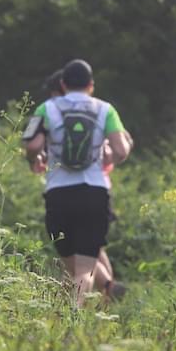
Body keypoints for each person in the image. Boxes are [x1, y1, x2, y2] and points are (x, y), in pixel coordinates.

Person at [25, 60, 132, 306]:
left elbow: (31, 145)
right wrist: (110, 159)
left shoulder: (46, 108)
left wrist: (35, 159)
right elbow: (121, 148)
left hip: (58, 194)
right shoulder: (106, 109)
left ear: (63, 84)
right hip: (94, 193)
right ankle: (75, 318)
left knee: (72, 266)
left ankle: (70, 318)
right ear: (91, 85)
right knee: (84, 269)